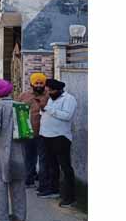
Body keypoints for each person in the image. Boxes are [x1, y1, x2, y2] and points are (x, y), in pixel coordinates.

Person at [0, 79, 27, 221]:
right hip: (19, 150)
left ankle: (1, 216)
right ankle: (19, 216)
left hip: (2, 150)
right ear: (10, 90)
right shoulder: (20, 105)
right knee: (18, 183)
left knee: (1, 183)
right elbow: (26, 130)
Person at [39, 78, 78, 208]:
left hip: (61, 137)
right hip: (47, 136)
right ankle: (54, 190)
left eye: (51, 90)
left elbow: (67, 116)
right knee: (52, 165)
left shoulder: (69, 99)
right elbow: (46, 112)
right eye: (48, 90)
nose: (49, 92)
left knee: (65, 167)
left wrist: (49, 109)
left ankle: (70, 197)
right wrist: (43, 109)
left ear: (59, 90)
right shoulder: (51, 98)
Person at [17, 73, 50, 189]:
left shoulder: (49, 95)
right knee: (29, 157)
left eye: (41, 83)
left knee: (43, 158)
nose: (39, 85)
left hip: (44, 132)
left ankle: (43, 182)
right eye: (37, 83)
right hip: (28, 131)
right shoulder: (24, 96)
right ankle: (29, 179)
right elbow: (18, 112)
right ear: (32, 84)